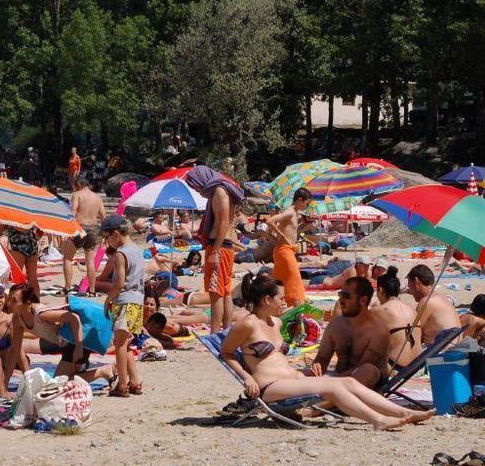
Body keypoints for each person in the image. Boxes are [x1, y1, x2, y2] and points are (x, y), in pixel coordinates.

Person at [221, 273, 434, 430]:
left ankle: (404, 412)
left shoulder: (275, 322)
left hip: (292, 378)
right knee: (332, 385)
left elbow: (277, 357)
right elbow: (227, 353)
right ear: (267, 300)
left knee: (349, 382)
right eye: (280, 298)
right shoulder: (247, 324)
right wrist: (247, 378)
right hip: (269, 387)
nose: (284, 302)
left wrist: (309, 368)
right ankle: (377, 420)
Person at [2, 283, 114, 384]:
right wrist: (12, 381)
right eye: (9, 299)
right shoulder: (18, 318)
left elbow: (74, 318)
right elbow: (15, 349)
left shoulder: (42, 315)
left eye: (14, 300)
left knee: (59, 383)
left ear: (28, 302)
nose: (9, 303)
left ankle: (102, 371)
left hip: (76, 340)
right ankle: (83, 367)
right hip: (63, 342)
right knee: (66, 379)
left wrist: (79, 347)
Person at [185, 165, 245, 333]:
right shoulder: (222, 190)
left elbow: (223, 221)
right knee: (225, 291)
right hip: (224, 246)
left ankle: (215, 332)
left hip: (220, 246)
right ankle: (225, 330)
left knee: (216, 292)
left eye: (195, 185)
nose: (196, 189)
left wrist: (215, 251)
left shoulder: (219, 191)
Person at [313, 277, 390, 388]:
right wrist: (317, 365)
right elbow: (322, 358)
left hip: (366, 385)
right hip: (336, 381)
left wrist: (328, 382)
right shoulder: (336, 326)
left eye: (346, 296)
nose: (341, 301)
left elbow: (362, 368)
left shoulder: (378, 331)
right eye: (340, 295)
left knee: (369, 370)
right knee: (298, 373)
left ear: (363, 300)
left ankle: (325, 401)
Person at [100, 214, 144, 397]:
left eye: (107, 236)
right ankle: (135, 381)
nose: (106, 241)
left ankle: (123, 384)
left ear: (116, 233)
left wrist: (107, 300)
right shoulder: (137, 249)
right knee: (125, 344)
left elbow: (119, 284)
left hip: (124, 300)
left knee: (119, 344)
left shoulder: (120, 253)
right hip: (138, 300)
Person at [265, 187, 311, 307]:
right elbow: (270, 221)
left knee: (280, 283)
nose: (307, 206)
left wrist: (274, 235)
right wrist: (281, 235)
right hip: (284, 251)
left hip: (285, 251)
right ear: (300, 200)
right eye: (307, 203)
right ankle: (298, 310)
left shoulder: (294, 213)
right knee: (294, 282)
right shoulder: (290, 212)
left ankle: (275, 306)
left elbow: (271, 230)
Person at [61, 178, 106, 296]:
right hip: (93, 228)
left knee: (67, 258)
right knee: (90, 261)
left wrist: (68, 230)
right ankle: (92, 290)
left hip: (80, 227)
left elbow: (73, 211)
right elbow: (103, 216)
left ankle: (67, 287)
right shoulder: (97, 198)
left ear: (79, 184)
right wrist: (105, 235)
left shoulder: (77, 194)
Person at [371, 266, 422, 369]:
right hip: (418, 365)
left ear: (380, 290)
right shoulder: (412, 310)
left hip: (396, 367)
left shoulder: (379, 310)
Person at [406, 264, 462, 345]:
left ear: (416, 281)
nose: (410, 292)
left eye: (410, 286)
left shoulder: (426, 302)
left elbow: (414, 336)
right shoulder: (442, 298)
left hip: (444, 353)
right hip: (457, 348)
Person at [6, 227, 41, 297]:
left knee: (16, 277)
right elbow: (41, 229)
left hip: (17, 239)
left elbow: (19, 227)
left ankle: (17, 305)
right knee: (33, 277)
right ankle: (36, 303)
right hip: (31, 240)